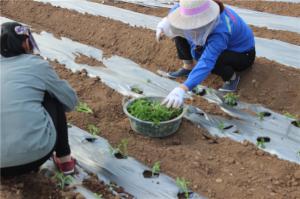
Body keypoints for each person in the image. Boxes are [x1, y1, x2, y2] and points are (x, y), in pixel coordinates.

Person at [0, 22, 78, 176]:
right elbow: (70, 102)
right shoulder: (37, 65)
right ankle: (65, 160)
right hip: (34, 157)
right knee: (53, 96)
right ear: (26, 43)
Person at [156, 0, 256, 108]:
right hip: (225, 46)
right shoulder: (196, 6)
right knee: (180, 30)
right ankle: (188, 67)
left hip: (242, 54)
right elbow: (177, 10)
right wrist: (163, 25)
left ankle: (232, 77)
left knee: (210, 58)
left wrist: (183, 88)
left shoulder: (220, 30)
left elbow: (207, 61)